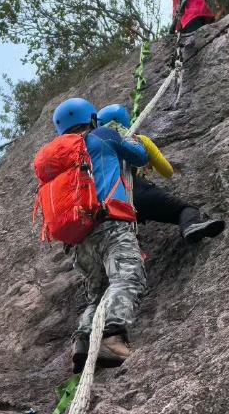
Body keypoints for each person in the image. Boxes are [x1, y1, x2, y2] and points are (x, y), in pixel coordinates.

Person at [39, 98, 152, 371]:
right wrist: (130, 137)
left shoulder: (57, 160)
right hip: (111, 224)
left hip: (78, 241)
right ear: (92, 119)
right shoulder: (103, 135)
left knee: (98, 293)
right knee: (128, 277)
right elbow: (140, 157)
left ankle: (83, 340)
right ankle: (112, 338)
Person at [97, 105, 225, 245]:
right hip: (138, 193)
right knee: (183, 209)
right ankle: (190, 225)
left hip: (105, 206)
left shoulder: (94, 149)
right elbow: (167, 171)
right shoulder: (139, 140)